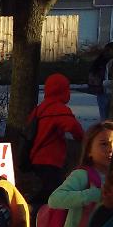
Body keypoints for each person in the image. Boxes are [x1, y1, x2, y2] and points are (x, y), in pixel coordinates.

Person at [26, 73, 84, 205]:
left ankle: (35, 208)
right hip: (51, 159)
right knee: (53, 190)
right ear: (62, 91)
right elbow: (74, 127)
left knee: (48, 187)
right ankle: (33, 209)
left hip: (35, 156)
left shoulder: (39, 109)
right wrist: (85, 140)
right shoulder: (60, 109)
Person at [89, 43, 113, 120]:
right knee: (105, 112)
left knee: (112, 112)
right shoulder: (100, 62)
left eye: (108, 50)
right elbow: (93, 75)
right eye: (106, 50)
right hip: (103, 90)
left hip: (110, 90)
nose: (106, 52)